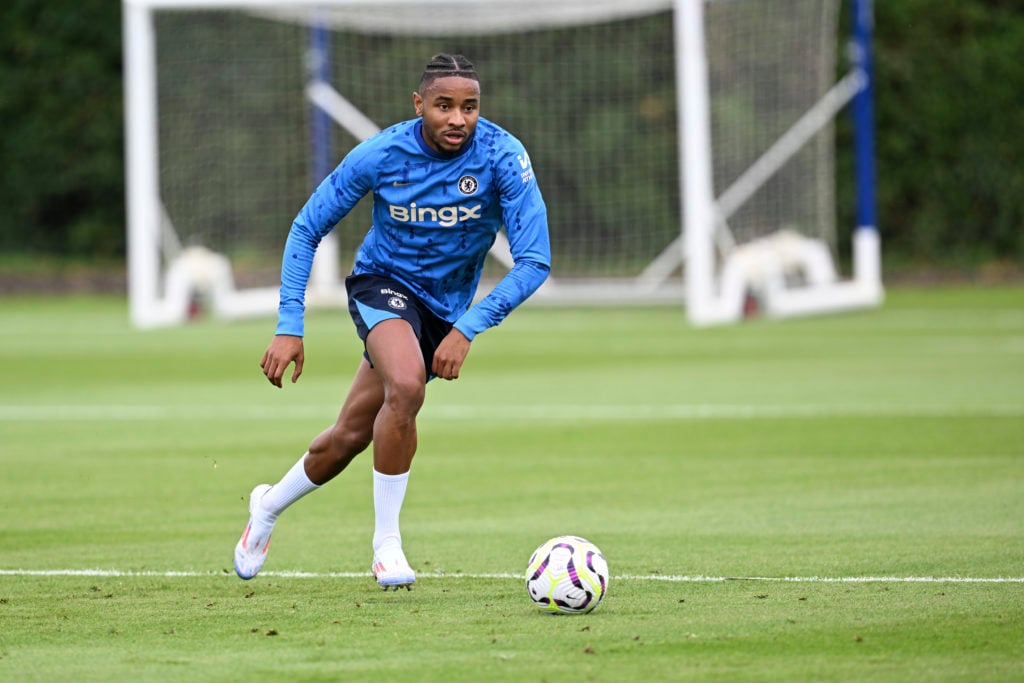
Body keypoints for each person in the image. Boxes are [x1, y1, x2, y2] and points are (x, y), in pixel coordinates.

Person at [233, 54, 552, 589]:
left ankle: (266, 507)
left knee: (350, 435)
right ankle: (387, 547)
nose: (458, 119)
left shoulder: (502, 156)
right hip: (381, 285)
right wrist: (290, 322)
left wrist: (467, 327)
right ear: (419, 104)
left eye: (469, 107)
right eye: (444, 106)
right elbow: (307, 227)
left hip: (445, 310)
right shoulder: (382, 154)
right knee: (405, 387)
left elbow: (535, 259)